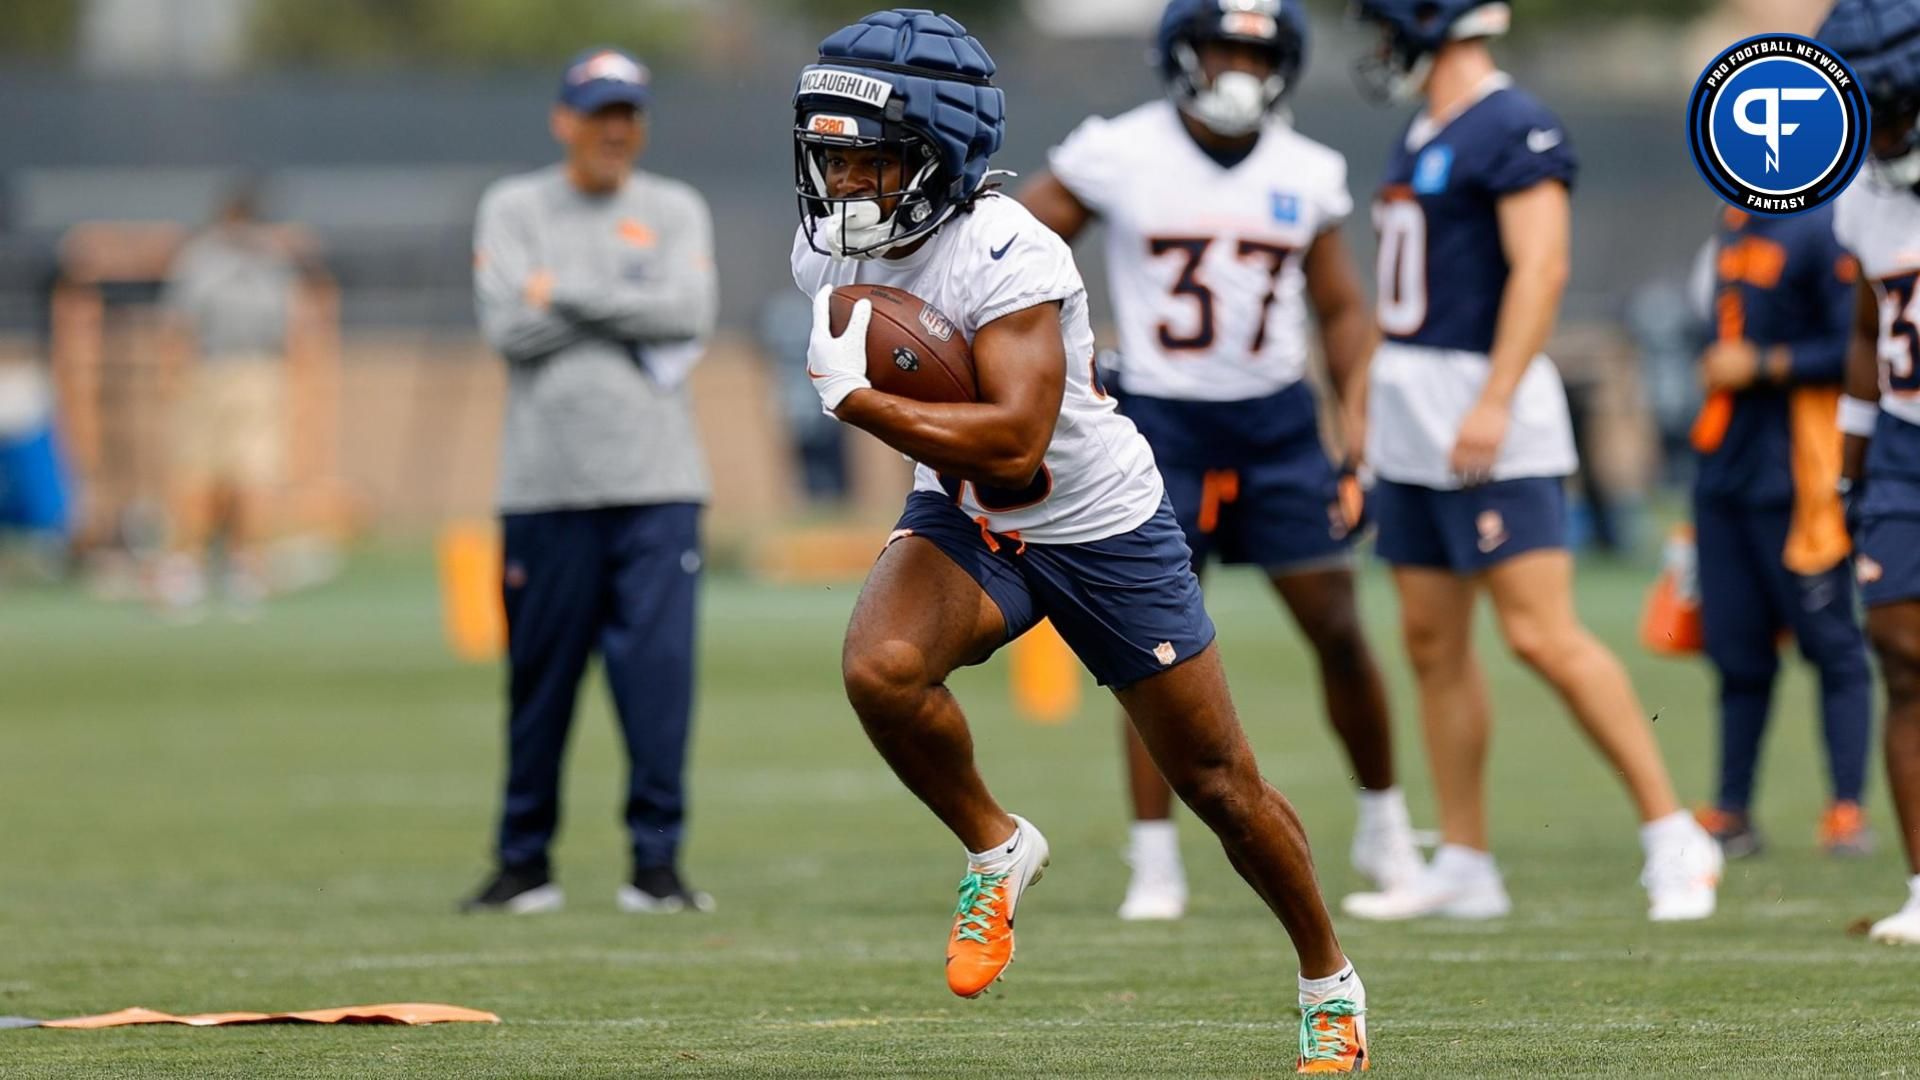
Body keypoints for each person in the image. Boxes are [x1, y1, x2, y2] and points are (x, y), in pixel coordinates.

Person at [791, 10, 1368, 1071]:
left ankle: (1328, 979)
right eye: (829, 157)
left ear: (938, 154)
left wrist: (861, 403)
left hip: (1094, 523)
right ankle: (996, 846)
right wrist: (882, 408)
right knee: (882, 670)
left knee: (1219, 784)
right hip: (968, 518)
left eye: (869, 160)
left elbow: (1014, 445)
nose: (843, 186)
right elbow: (975, 470)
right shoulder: (825, 251)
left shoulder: (1010, 248)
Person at [1017, 0, 1419, 922]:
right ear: (1182, 54)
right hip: (1158, 423)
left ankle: (1385, 824)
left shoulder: (1307, 169)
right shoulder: (1117, 151)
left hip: (1276, 426)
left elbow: (1343, 307)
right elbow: (1012, 249)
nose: (1240, 65)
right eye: (1223, 46)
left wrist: (1351, 423)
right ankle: (1154, 859)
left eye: (1257, 49)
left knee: (1341, 628)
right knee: (1146, 646)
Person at [1338, 0, 1722, 923]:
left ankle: (1675, 833)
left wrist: (1496, 399)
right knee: (1432, 642)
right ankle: (1466, 860)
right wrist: (1365, 401)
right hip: (1411, 410)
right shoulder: (1426, 125)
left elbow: (1541, 268)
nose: (1380, 47)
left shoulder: (1512, 122)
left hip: (1483, 405)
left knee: (1541, 634)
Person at [462, 47, 718, 915]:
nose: (616, 131)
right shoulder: (513, 205)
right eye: (600, 113)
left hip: (658, 485)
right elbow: (506, 327)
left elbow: (689, 314)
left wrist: (560, 293)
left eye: (630, 114)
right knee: (539, 682)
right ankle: (524, 862)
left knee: (658, 684)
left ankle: (656, 865)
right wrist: (618, 299)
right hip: (544, 489)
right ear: (562, 119)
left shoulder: (675, 208)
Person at [1688, 204, 1872, 860]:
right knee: (1736, 653)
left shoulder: (1825, 226)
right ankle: (1732, 810)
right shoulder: (1736, 224)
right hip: (1723, 473)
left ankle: (1847, 809)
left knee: (1832, 646)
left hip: (1796, 476)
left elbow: (1855, 346)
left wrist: (1764, 363)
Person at [1826, 0, 1920, 944]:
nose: (1880, 134)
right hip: (1901, 444)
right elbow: (1866, 335)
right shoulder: (1863, 195)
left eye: (1891, 111)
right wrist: (1847, 473)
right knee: (1898, 653)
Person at [160, 183, 307, 617]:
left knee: (249, 472)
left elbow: (292, 326)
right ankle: (195, 564)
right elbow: (180, 323)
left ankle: (241, 565)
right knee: (200, 470)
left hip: (249, 370)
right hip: (221, 369)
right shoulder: (208, 258)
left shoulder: (264, 259)